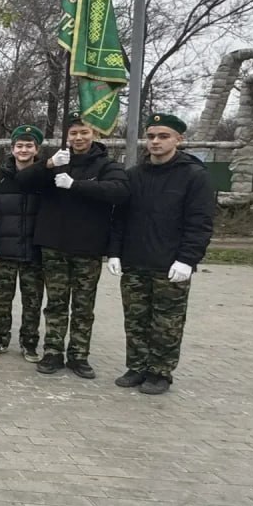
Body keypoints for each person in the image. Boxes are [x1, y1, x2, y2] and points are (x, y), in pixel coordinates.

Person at [107, 113, 215, 395]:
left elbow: (200, 223)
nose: (155, 142)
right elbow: (119, 217)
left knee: (167, 322)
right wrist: (114, 252)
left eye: (163, 136)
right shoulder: (134, 175)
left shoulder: (194, 176)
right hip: (135, 261)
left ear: (179, 139)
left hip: (170, 264)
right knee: (135, 319)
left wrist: (188, 259)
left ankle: (160, 372)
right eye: (152, 136)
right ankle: (137, 367)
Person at [17, 114, 129, 378]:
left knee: (82, 305)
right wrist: (47, 164)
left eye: (84, 133)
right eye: (74, 133)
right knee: (56, 302)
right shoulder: (57, 162)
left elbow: (119, 192)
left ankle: (79, 355)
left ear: (95, 135)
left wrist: (76, 185)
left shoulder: (105, 165)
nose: (79, 138)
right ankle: (53, 351)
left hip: (87, 246)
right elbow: (22, 182)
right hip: (54, 243)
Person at [0, 125, 45, 361]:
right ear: (12, 149)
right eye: (19, 146)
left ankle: (29, 342)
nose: (23, 150)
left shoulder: (45, 178)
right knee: (2, 299)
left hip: (34, 252)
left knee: (32, 301)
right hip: (4, 252)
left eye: (29, 146)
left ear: (36, 149)